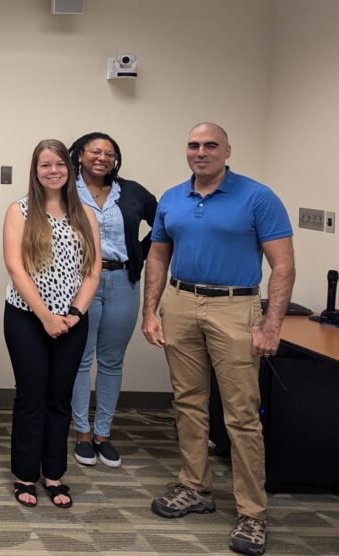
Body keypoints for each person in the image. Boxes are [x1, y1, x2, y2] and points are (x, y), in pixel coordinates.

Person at [143, 122, 294, 556]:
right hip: (181, 301)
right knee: (187, 402)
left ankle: (252, 512)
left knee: (241, 414)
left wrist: (271, 326)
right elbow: (158, 255)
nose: (201, 152)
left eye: (211, 145)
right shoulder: (173, 198)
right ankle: (195, 486)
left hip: (235, 307)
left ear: (228, 150)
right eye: (193, 145)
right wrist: (149, 311)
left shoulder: (257, 196)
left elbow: (283, 266)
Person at [3, 139, 99, 509]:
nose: (53, 170)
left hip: (73, 321)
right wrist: (45, 316)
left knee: (60, 399)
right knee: (31, 397)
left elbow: (92, 271)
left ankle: (54, 474)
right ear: (36, 171)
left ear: (70, 168)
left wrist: (74, 314)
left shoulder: (85, 215)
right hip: (27, 318)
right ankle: (25, 473)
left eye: (59, 164)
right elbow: (15, 266)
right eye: (45, 165)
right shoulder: (20, 211)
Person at [67, 132, 157, 469]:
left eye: (110, 153)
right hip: (79, 283)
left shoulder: (131, 192)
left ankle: (104, 433)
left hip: (123, 280)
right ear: (79, 155)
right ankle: (82, 432)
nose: (103, 158)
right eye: (95, 151)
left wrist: (139, 254)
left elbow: (162, 224)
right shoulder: (65, 190)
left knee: (111, 360)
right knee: (80, 358)